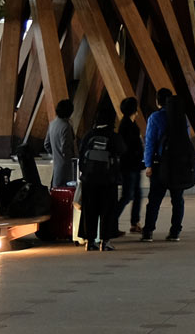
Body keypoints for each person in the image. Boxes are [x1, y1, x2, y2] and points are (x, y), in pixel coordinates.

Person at [142, 89, 195, 242]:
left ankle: (148, 232)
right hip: (179, 165)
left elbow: (150, 142)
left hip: (161, 164)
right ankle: (175, 232)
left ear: (158, 101)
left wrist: (148, 164)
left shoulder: (155, 117)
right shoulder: (182, 117)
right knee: (177, 199)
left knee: (154, 200)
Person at [75, 102, 124, 249]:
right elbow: (122, 152)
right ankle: (106, 241)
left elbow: (81, 155)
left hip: (89, 179)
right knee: (107, 211)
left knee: (89, 210)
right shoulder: (113, 137)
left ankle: (90, 242)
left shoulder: (89, 135)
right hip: (108, 180)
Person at [118, 97, 146, 233]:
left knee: (136, 194)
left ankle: (135, 222)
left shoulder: (128, 124)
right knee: (128, 195)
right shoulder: (127, 126)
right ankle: (112, 220)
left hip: (133, 166)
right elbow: (129, 148)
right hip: (129, 166)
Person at [45, 98, 79, 189]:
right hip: (66, 166)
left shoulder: (52, 124)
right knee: (66, 191)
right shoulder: (66, 126)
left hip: (57, 164)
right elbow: (65, 148)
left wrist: (55, 154)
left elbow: (46, 144)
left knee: (55, 189)